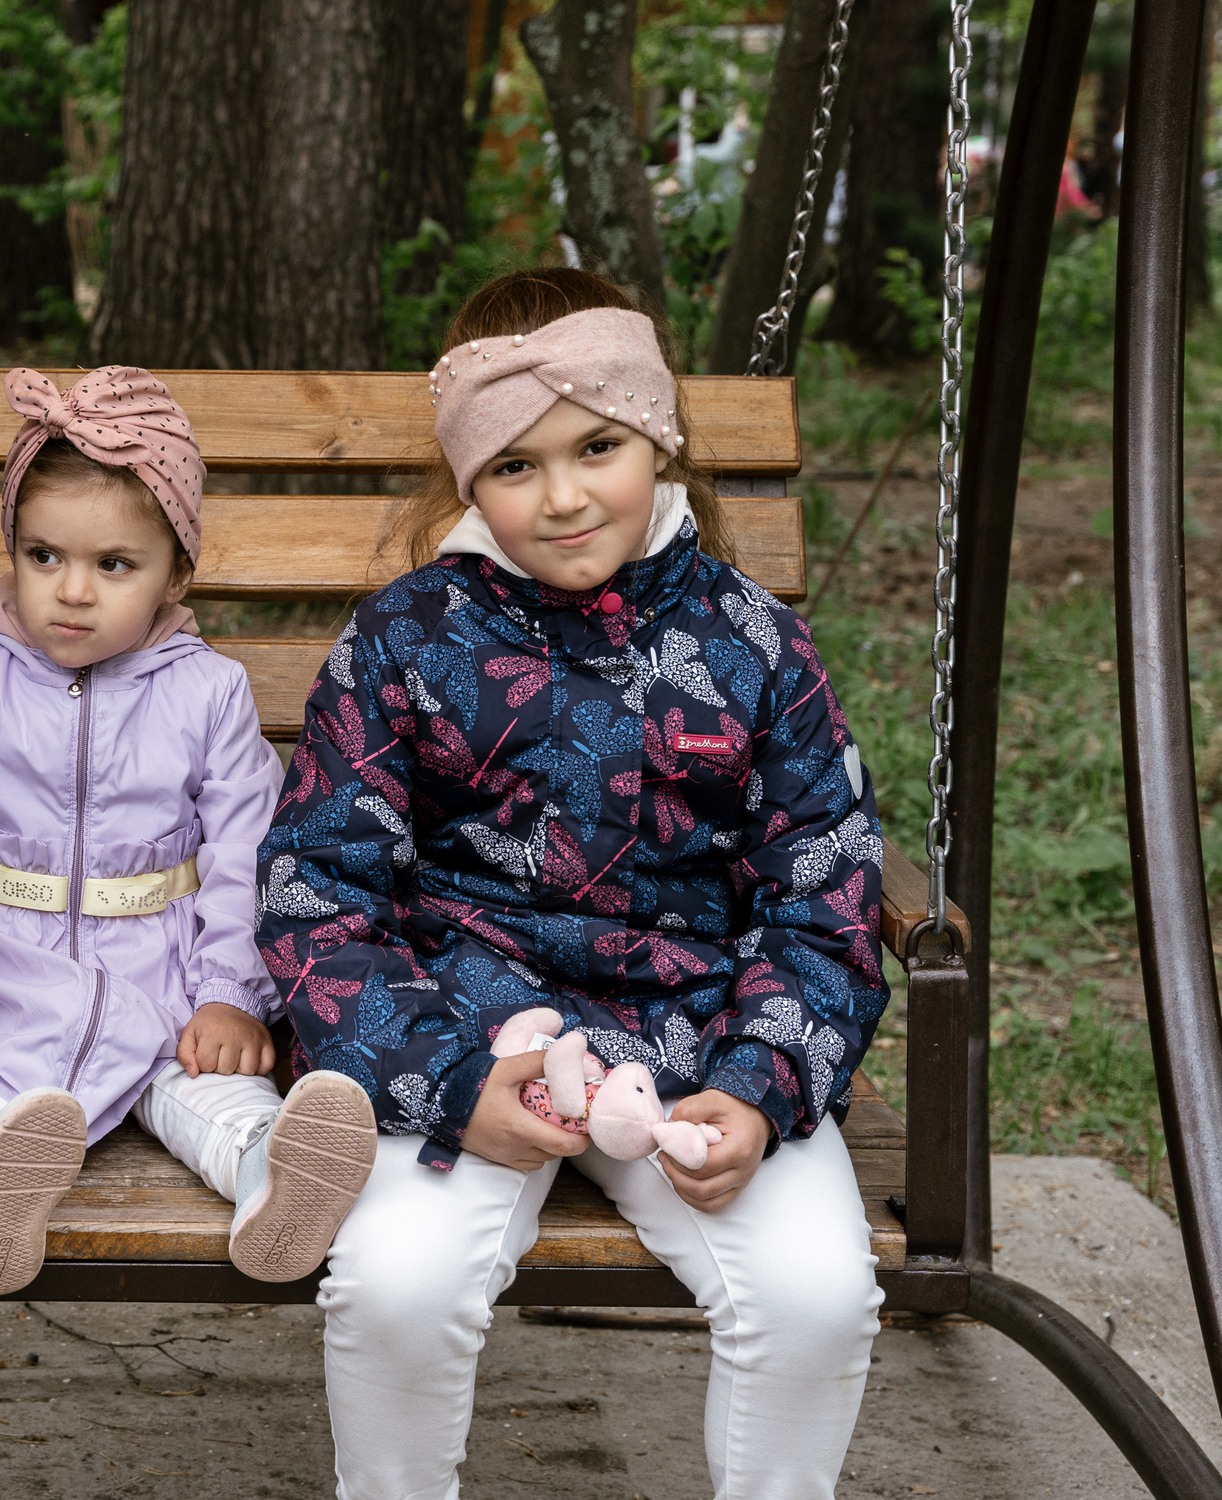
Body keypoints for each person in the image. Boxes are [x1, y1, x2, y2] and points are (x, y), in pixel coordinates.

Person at [258, 267, 890, 1500]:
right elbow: (318, 890)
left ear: (657, 437)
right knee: (396, 1288)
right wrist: (447, 1084)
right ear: (465, 479)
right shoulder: (404, 637)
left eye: (595, 447)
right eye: (513, 464)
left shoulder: (753, 641)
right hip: (468, 1031)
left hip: (698, 1037)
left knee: (816, 1297)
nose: (560, 496)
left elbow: (825, 892)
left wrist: (758, 1088)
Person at [0, 367, 376, 1297]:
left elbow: (250, 853)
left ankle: (272, 1173)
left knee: (217, 1093)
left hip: (164, 978)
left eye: (114, 565)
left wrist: (228, 994)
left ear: (178, 572)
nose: (72, 591)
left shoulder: (208, 693)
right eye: (43, 555)